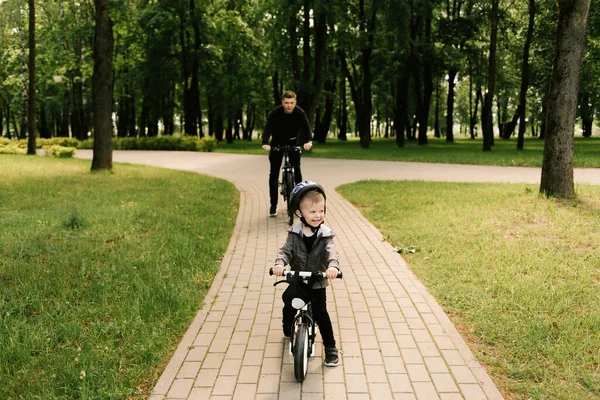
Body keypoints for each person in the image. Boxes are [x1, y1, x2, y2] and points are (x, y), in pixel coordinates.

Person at [271, 181, 340, 367]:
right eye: (313, 212)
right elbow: (285, 251)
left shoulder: (326, 235)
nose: (318, 215)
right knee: (289, 301)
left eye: (321, 210)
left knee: (320, 314)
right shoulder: (294, 233)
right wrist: (279, 264)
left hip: (317, 281)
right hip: (298, 278)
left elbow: (331, 252)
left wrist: (333, 267)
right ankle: (287, 325)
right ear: (299, 214)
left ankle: (331, 347)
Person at [262, 91, 313, 217]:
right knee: (274, 174)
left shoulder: (300, 113)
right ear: (282, 102)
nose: (289, 106)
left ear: (295, 102)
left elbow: (307, 128)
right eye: (286, 103)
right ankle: (273, 204)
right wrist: (265, 142)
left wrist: (309, 141)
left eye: (291, 103)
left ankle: (300, 202)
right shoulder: (275, 113)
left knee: (297, 170)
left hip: (294, 143)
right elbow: (268, 128)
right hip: (276, 144)